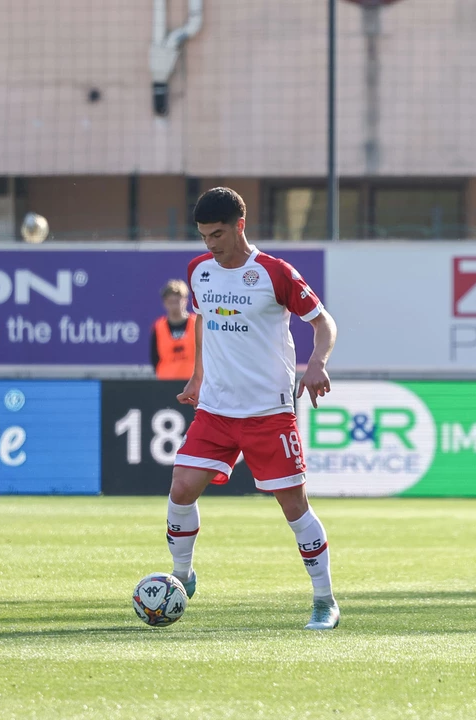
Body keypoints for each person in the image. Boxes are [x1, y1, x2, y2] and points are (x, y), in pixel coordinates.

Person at [165, 187, 340, 630]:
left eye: (218, 234)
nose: (210, 244)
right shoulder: (199, 271)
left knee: (294, 508)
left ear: (239, 226)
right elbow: (204, 322)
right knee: (181, 489)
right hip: (216, 409)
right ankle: (182, 578)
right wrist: (198, 376)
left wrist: (317, 363)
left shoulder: (275, 273)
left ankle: (325, 601)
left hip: (268, 412)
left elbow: (324, 323)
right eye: (204, 236)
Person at [150, 279, 197, 380]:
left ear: (185, 301)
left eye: (177, 301)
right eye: (170, 302)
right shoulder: (158, 327)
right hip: (166, 383)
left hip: (194, 382)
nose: (174, 306)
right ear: (164, 303)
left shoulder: (197, 324)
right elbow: (154, 358)